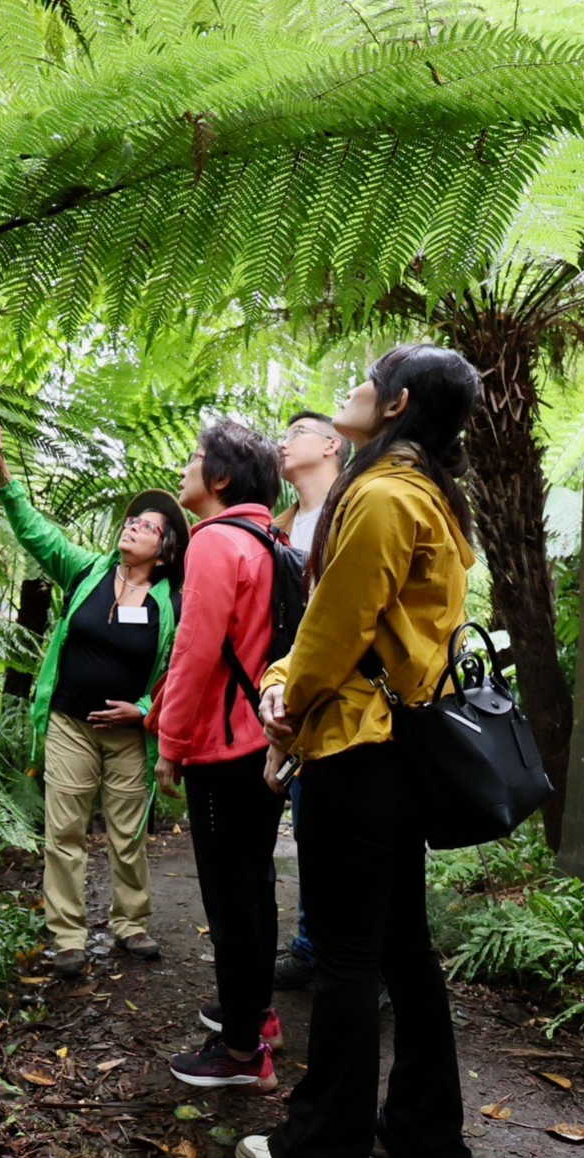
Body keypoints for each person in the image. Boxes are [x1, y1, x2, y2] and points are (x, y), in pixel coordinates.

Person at [235, 345, 481, 1158]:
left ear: (397, 402)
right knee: (402, 949)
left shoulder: (380, 496)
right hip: (397, 747)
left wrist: (283, 703)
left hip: (356, 745)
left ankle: (323, 1152)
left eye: (362, 382)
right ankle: (424, 1140)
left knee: (347, 956)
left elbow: (333, 630)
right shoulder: (434, 497)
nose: (348, 392)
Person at [0, 419, 189, 980]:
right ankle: (68, 935)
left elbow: (182, 674)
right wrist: (4, 474)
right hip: (71, 724)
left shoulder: (174, 602)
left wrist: (144, 712)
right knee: (65, 831)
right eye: (133, 520)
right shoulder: (89, 571)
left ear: (165, 550)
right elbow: (36, 532)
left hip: (127, 736)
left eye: (147, 526)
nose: (134, 526)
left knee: (128, 837)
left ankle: (130, 923)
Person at [153, 421, 287, 1092]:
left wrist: (168, 745)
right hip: (263, 741)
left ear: (222, 478)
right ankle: (256, 1019)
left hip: (222, 743)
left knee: (229, 897)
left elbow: (195, 652)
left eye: (194, 460)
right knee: (254, 887)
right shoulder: (270, 537)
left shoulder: (214, 542)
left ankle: (239, 1053)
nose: (184, 469)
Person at [269, 410, 344, 992]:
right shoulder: (278, 526)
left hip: (344, 693)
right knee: (306, 823)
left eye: (295, 433)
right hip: (286, 691)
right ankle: (310, 944)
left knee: (337, 826)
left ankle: (352, 957)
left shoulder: (353, 508)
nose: (282, 442)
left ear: (332, 444)